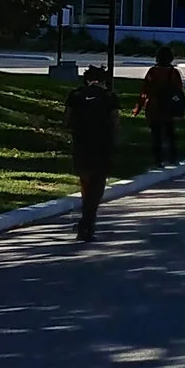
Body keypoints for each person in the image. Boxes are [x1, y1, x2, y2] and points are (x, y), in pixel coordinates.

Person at [62, 66, 118, 242]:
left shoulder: (76, 95)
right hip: (102, 146)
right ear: (103, 80)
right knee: (98, 184)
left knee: (85, 183)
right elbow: (115, 123)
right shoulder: (109, 97)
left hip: (81, 145)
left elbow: (67, 120)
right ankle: (88, 220)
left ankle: (86, 221)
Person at [133, 48, 185, 167]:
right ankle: (173, 158)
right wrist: (181, 109)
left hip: (153, 107)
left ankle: (158, 161)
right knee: (170, 134)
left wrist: (138, 107)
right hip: (169, 108)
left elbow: (144, 90)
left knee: (156, 135)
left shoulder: (152, 72)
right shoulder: (174, 73)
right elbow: (179, 91)